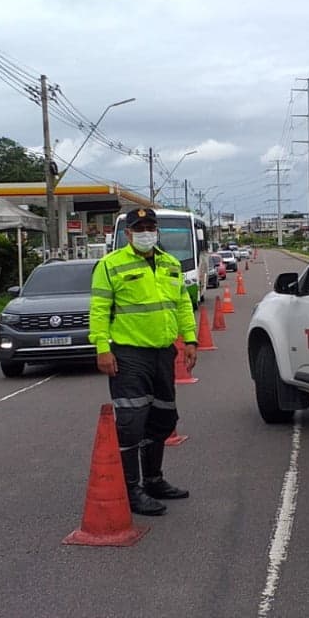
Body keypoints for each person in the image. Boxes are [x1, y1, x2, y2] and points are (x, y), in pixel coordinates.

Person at [89, 207, 198, 516]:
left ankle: (153, 480)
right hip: (129, 354)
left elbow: (182, 305)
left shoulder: (171, 264)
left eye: (150, 227)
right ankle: (130, 488)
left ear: (157, 231)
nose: (146, 232)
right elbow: (98, 309)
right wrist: (101, 348)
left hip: (164, 353)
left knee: (163, 419)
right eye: (139, 228)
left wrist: (189, 340)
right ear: (127, 234)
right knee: (131, 423)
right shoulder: (111, 265)